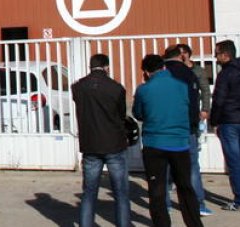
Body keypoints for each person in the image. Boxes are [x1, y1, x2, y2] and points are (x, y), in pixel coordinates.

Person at [132, 54, 203, 227]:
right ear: (164, 67)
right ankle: (194, 223)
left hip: (154, 144)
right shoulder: (182, 86)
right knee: (185, 187)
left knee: (157, 190)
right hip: (179, 142)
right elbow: (192, 110)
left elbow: (138, 114)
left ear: (147, 72)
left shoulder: (143, 89)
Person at [72, 54, 130, 227]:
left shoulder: (78, 87)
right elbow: (121, 115)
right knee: (121, 193)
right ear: (106, 67)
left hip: (90, 144)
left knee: (89, 193)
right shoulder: (116, 87)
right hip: (114, 143)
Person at [162, 46, 210, 216]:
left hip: (168, 127)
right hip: (188, 125)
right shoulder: (190, 74)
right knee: (192, 166)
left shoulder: (163, 74)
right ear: (180, 56)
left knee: (166, 166)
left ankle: (165, 203)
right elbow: (196, 96)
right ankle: (198, 204)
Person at [210, 40, 240, 210]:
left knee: (234, 161)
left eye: (217, 54)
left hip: (229, 120)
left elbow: (219, 100)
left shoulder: (225, 74)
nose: (215, 57)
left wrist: (214, 121)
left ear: (225, 55)